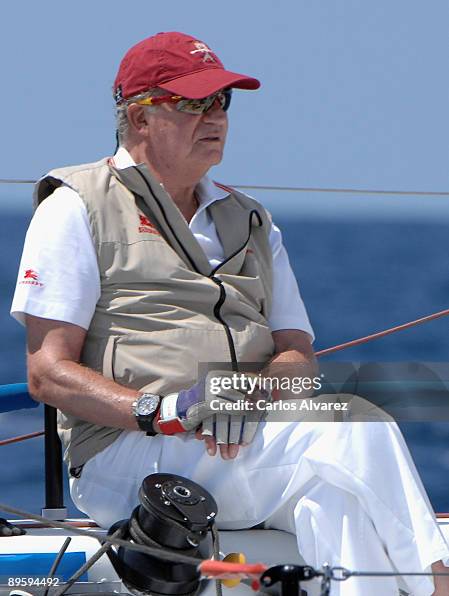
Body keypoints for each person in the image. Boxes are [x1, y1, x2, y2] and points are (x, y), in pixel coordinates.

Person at [11, 31, 449, 595]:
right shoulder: (76, 206)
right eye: (194, 104)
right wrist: (171, 409)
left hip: (243, 439)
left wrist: (248, 395)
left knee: (336, 498)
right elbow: (46, 372)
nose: (215, 116)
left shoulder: (251, 220)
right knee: (357, 423)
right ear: (140, 118)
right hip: (127, 453)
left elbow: (299, 356)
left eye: (221, 102)